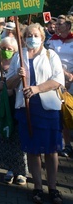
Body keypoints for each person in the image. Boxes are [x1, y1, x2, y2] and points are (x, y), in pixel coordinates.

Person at [6, 23, 64, 204]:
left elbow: (58, 80)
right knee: (32, 150)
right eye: (28, 35)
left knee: (51, 150)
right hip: (26, 108)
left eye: (35, 34)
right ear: (23, 38)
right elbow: (8, 84)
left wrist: (37, 88)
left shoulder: (50, 55)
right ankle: (38, 187)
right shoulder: (19, 56)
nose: (32, 38)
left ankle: (52, 188)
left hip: (47, 109)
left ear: (42, 37)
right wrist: (17, 74)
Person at [0, 36, 28, 185]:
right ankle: (9, 169)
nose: (6, 51)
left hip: (16, 104)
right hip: (0, 105)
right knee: (5, 134)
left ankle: (21, 171)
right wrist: (1, 87)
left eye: (9, 49)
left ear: (15, 50)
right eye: (3, 48)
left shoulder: (20, 65)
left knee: (17, 135)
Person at [48, 14, 73, 158]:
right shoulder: (52, 41)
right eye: (56, 24)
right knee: (63, 112)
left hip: (72, 78)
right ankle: (67, 144)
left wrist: (72, 77)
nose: (57, 26)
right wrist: (64, 75)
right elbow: (52, 59)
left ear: (68, 26)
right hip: (59, 79)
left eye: (61, 24)